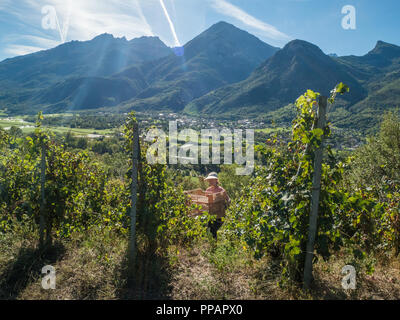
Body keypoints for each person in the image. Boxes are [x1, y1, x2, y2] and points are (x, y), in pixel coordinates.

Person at [204, 172, 230, 239]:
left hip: (220, 215)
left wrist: (226, 205)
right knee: (209, 230)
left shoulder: (221, 190)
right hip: (211, 215)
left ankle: (214, 247)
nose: (210, 181)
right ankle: (212, 246)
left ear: (216, 180)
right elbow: (205, 201)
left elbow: (228, 199)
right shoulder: (208, 190)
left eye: (212, 179)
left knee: (213, 230)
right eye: (209, 180)